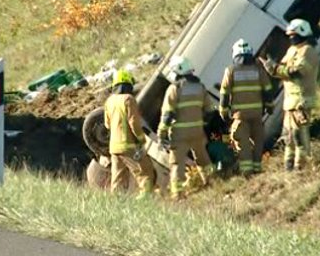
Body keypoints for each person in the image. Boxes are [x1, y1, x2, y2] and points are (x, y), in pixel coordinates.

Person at [260, 19, 319, 171]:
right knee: (288, 137)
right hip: (290, 102)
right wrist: (272, 67)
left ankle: (301, 167)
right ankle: (289, 166)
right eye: (290, 35)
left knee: (300, 136)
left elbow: (297, 72)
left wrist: (275, 70)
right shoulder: (292, 50)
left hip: (302, 101)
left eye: (294, 35)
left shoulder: (308, 51)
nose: (291, 38)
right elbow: (283, 68)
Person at [157, 56, 214, 200]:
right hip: (197, 132)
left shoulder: (174, 88)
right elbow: (210, 110)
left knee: (177, 164)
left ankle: (178, 194)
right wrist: (201, 123)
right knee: (203, 158)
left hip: (179, 134)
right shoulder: (200, 87)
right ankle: (213, 182)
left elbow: (167, 114)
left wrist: (162, 134)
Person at [219, 39, 273, 177]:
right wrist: (269, 106)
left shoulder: (231, 70)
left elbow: (224, 93)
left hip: (240, 116)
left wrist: (223, 112)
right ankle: (257, 169)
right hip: (257, 114)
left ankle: (247, 173)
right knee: (258, 141)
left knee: (243, 145)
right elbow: (267, 89)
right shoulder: (258, 70)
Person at [103, 69, 155, 198]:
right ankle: (145, 200)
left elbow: (107, 124)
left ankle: (116, 202)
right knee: (146, 172)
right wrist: (141, 139)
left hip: (114, 148)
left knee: (118, 178)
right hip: (128, 146)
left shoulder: (109, 101)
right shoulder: (129, 99)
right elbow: (134, 123)